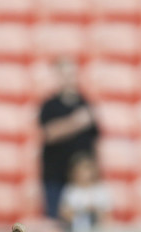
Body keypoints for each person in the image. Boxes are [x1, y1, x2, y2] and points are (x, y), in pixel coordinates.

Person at [40, 58, 99, 220]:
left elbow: (95, 140)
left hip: (82, 180)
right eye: (64, 74)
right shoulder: (49, 105)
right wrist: (76, 122)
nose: (68, 78)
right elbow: (48, 133)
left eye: (71, 74)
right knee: (57, 224)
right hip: (56, 178)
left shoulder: (85, 103)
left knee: (86, 223)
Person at [59, 153, 112, 232]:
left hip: (98, 231)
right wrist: (81, 213)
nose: (83, 174)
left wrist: (95, 212)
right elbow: (64, 213)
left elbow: (108, 214)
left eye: (86, 169)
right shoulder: (70, 190)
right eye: (79, 170)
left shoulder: (100, 189)